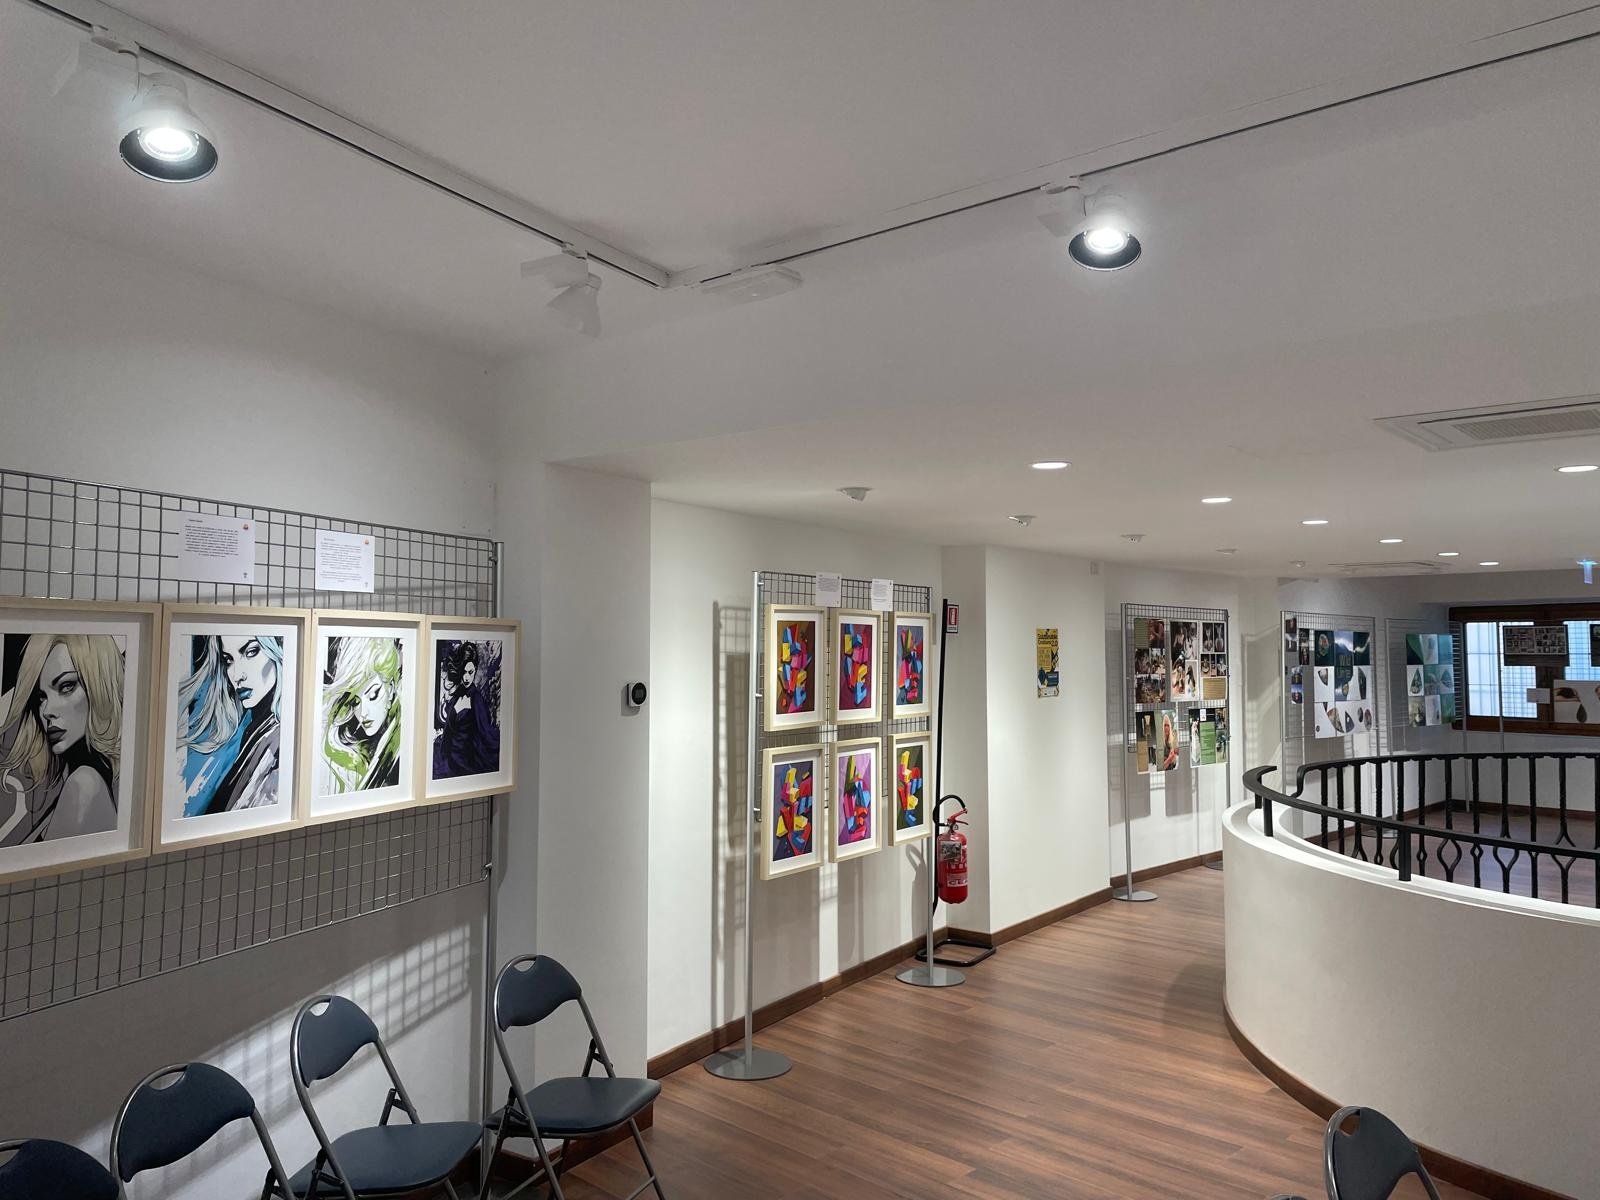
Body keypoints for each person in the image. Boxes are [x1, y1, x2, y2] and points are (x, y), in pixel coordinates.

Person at [0, 633, 123, 844]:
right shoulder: (84, 780)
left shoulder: (84, 784)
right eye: (41, 697)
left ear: (99, 686)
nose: (47, 710)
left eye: (66, 686)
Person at [177, 634, 284, 815]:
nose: (237, 675)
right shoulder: (245, 728)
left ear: (277, 650)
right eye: (228, 660)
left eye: (251, 652)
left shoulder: (278, 738)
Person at [321, 636, 403, 793]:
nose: (363, 713)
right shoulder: (341, 736)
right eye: (355, 702)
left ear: (391, 688)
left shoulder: (399, 741)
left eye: (373, 695)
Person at [432, 640, 500, 779]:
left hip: (463, 759)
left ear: (475, 670)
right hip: (451, 750)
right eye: (463, 672)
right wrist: (455, 711)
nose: (466, 677)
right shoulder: (459, 693)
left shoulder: (476, 700)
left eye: (470, 672)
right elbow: (449, 730)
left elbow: (484, 735)